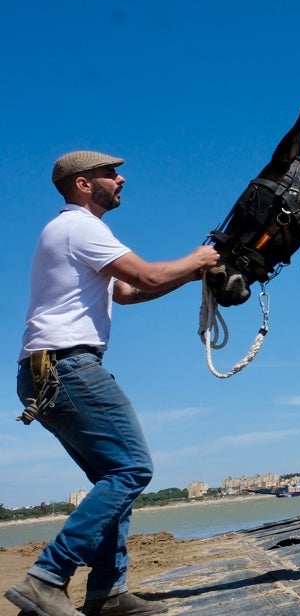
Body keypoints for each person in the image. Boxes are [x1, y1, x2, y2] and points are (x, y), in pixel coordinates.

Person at [7, 151, 221, 616]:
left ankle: (107, 593)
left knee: (113, 476)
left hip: (46, 371)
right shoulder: (80, 228)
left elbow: (127, 292)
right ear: (84, 184)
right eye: (110, 174)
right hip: (67, 366)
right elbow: (144, 274)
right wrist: (198, 258)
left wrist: (191, 274)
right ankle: (46, 577)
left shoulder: (69, 232)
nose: (120, 179)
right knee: (131, 470)